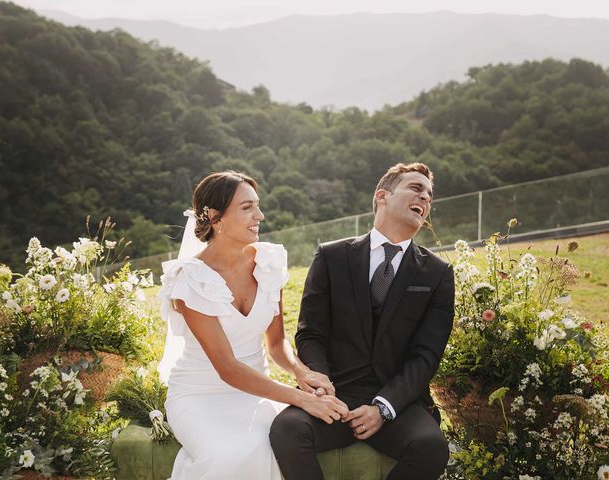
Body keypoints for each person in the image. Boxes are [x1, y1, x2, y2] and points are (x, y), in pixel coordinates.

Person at [158, 171, 349, 480]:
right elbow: (227, 367)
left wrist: (302, 372)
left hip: (254, 394)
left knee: (272, 446)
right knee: (227, 458)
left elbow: (276, 344)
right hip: (199, 396)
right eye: (247, 208)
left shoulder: (269, 262)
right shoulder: (190, 280)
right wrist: (301, 397)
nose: (259, 216)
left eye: (257, 206)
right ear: (214, 216)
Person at [270, 162, 455, 480]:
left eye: (429, 194)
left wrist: (384, 407)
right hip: (334, 393)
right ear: (382, 196)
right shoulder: (331, 256)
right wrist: (322, 389)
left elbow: (426, 355)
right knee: (287, 429)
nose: (425, 198)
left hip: (398, 401)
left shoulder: (437, 273)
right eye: (415, 188)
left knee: (432, 447)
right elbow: (310, 333)